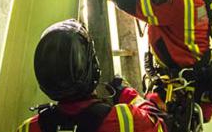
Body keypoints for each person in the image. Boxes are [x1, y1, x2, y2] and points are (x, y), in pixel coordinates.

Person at [17, 19, 168, 132]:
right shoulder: (125, 120)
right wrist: (129, 95)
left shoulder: (28, 128)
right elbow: (161, 125)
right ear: (92, 66)